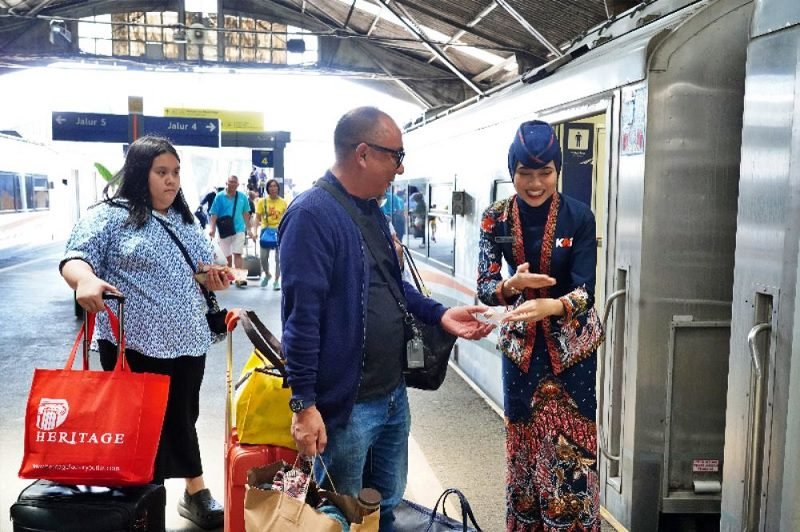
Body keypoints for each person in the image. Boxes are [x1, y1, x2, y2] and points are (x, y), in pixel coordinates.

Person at [279, 106, 495, 530]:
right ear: (363, 153)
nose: (400, 168)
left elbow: (394, 288)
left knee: (388, 504)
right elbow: (300, 320)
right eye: (396, 155)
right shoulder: (311, 215)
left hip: (391, 394)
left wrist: (442, 314)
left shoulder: (372, 210)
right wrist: (303, 404)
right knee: (339, 513)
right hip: (347, 404)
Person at [59, 135, 231, 530]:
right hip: (132, 346)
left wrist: (213, 277)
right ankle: (144, 503)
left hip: (188, 342)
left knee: (183, 417)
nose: (171, 181)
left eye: (175, 173)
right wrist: (84, 281)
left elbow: (204, 267)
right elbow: (75, 257)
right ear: (140, 173)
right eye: (161, 172)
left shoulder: (183, 220)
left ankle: (194, 492)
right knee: (138, 429)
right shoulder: (108, 216)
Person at [476, 120, 604, 531]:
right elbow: (485, 286)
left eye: (544, 173)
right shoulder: (495, 219)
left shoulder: (580, 217)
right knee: (525, 443)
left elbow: (585, 293)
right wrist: (512, 285)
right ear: (511, 170)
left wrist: (551, 304)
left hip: (573, 354)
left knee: (572, 445)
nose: (534, 184)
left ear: (558, 171)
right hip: (522, 351)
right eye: (524, 174)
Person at [208, 175, 256, 284]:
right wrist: (212, 229)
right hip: (224, 230)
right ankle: (229, 277)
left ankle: (239, 278)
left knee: (237, 253)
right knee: (227, 256)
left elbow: (246, 214)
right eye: (231, 182)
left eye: (235, 182)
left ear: (238, 184)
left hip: (238, 229)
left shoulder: (242, 197)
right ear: (226, 183)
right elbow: (214, 214)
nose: (232, 184)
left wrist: (249, 229)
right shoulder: (219, 197)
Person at [255, 178, 287, 290]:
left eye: (275, 186)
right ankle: (268, 274)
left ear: (278, 188)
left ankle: (276, 280)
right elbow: (257, 218)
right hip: (266, 231)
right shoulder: (262, 202)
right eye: (271, 186)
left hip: (280, 232)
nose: (273, 188)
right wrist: (254, 232)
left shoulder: (283, 202)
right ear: (267, 188)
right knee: (263, 257)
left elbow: (287, 218)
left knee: (279, 258)